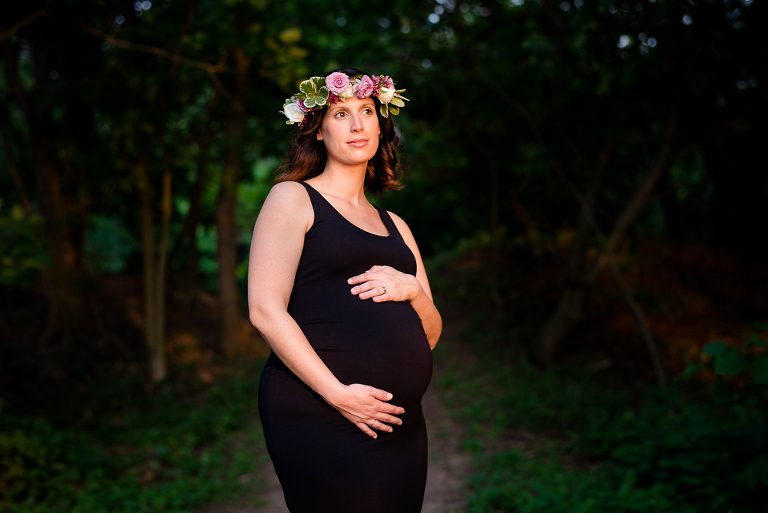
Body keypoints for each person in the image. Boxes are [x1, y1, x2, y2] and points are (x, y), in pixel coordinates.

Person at [247, 67, 442, 513]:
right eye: (340, 114)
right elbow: (265, 311)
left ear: (381, 124)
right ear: (317, 130)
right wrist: (340, 396)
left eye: (367, 111)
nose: (357, 125)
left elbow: (431, 334)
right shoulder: (293, 199)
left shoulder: (397, 226)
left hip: (400, 423)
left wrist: (413, 290)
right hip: (322, 412)